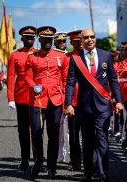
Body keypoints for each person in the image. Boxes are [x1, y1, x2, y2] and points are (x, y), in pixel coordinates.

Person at [65, 28, 123, 182]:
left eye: (92, 37)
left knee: (102, 138)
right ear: (81, 41)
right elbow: (70, 83)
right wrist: (68, 104)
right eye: (86, 38)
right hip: (84, 106)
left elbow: (113, 80)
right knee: (87, 139)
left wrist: (119, 101)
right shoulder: (75, 59)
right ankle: (88, 173)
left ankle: (103, 173)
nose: (90, 39)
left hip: (103, 105)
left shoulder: (105, 55)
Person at [25, 26, 68, 178]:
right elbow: (27, 76)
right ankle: (38, 159)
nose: (48, 42)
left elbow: (65, 79)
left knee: (53, 133)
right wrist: (33, 86)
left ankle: (52, 165)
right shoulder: (32, 56)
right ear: (40, 40)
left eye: (50, 39)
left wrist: (64, 98)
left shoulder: (61, 56)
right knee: (36, 131)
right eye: (45, 39)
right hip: (37, 98)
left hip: (55, 98)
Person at [7, 26, 37, 170]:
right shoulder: (15, 55)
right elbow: (11, 77)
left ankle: (38, 159)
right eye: (27, 36)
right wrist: (10, 98)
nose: (30, 39)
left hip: (37, 97)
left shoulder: (40, 53)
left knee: (37, 129)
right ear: (22, 38)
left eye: (32, 37)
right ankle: (24, 159)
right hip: (21, 97)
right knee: (23, 130)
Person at [65, 30, 83, 171]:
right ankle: (76, 161)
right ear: (71, 42)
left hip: (89, 101)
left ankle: (92, 162)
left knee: (91, 134)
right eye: (76, 41)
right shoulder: (66, 58)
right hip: (73, 102)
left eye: (81, 40)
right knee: (74, 134)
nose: (80, 43)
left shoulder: (91, 56)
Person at [53, 32, 69, 164]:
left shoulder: (70, 57)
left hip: (70, 95)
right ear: (55, 43)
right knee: (58, 128)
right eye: (59, 42)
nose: (62, 43)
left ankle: (71, 154)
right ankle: (60, 153)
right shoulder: (53, 56)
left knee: (71, 129)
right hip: (57, 95)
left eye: (64, 41)